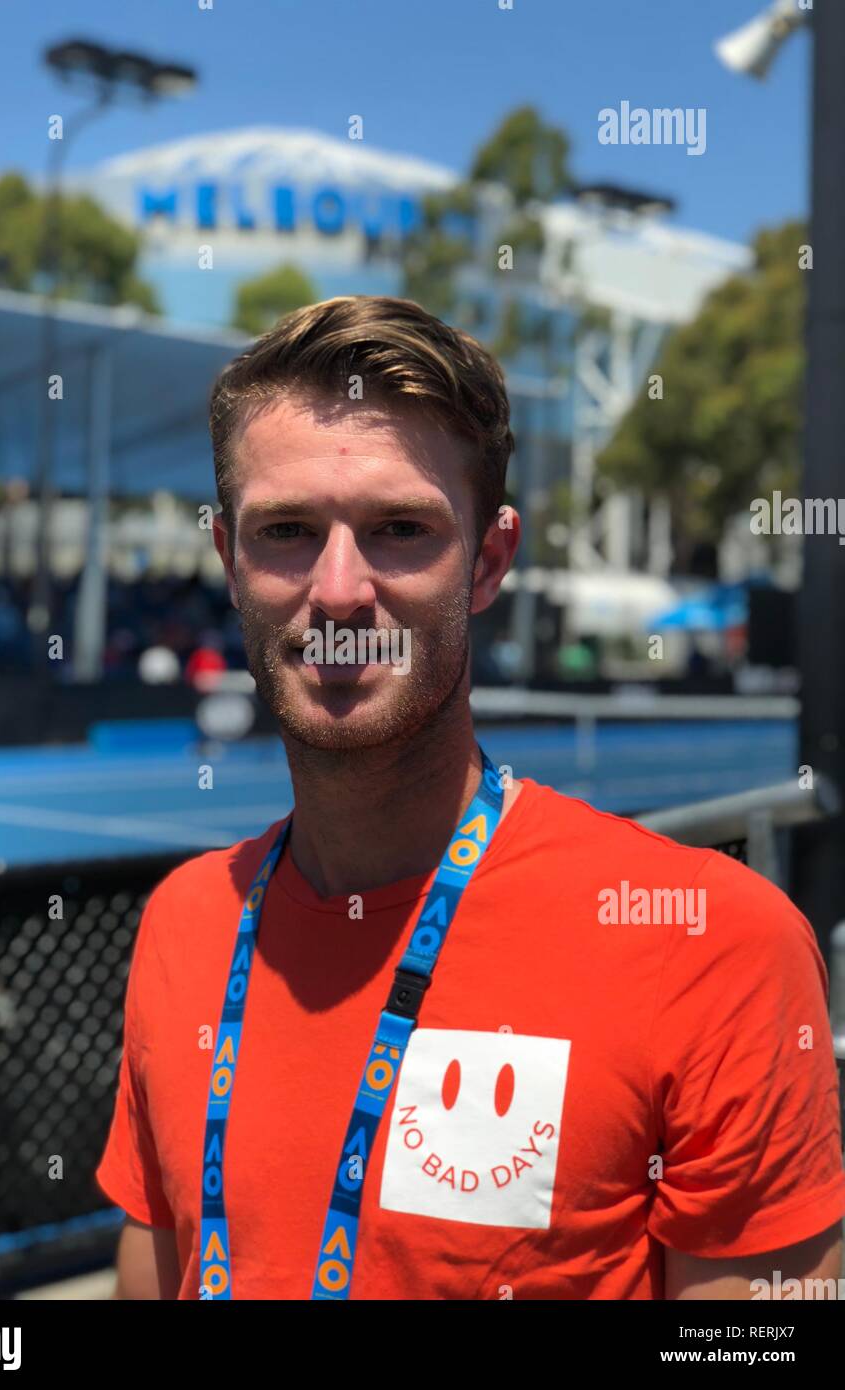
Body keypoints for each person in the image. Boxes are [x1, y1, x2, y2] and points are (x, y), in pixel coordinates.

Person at [95, 295, 844, 1300]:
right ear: (231, 559)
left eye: (400, 528)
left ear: (488, 560)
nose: (340, 590)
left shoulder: (715, 945)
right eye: (287, 530)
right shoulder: (185, 924)